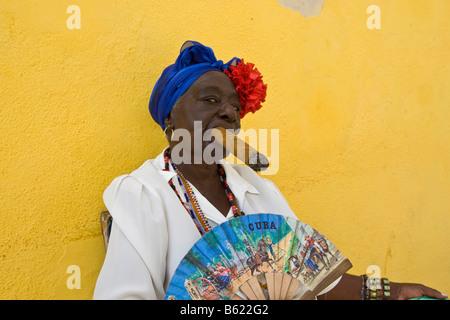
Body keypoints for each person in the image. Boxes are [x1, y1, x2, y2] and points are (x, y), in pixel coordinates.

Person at [93, 41, 447, 300]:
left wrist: (392, 290)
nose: (230, 113)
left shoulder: (257, 190)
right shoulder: (144, 193)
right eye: (211, 100)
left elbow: (314, 278)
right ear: (170, 118)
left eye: (235, 106)